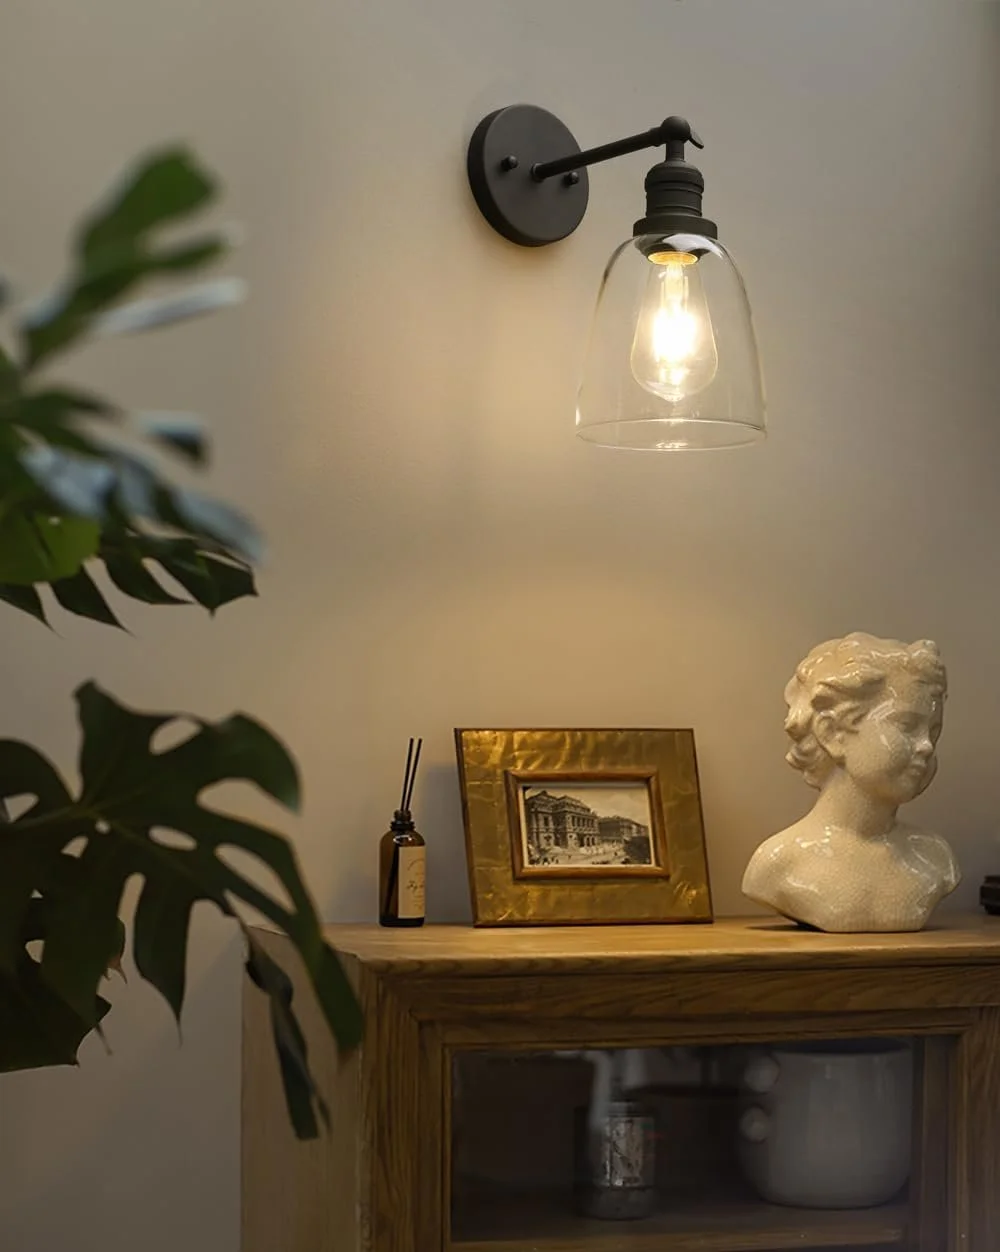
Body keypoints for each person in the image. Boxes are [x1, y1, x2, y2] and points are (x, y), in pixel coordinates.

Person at [742, 632, 960, 932]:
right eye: (906, 726)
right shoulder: (779, 864)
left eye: (933, 732)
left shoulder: (934, 858)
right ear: (832, 733)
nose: (926, 746)